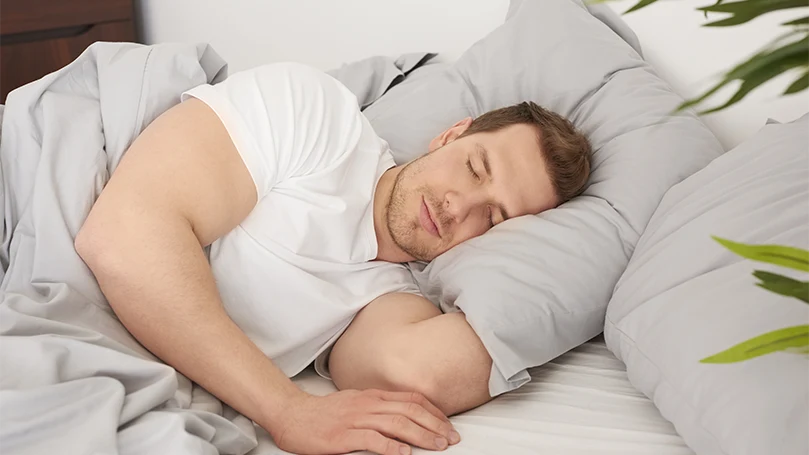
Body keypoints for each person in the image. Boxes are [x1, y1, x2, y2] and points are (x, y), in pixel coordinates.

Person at [75, 62, 591, 455]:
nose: (461, 207)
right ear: (453, 133)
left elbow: (423, 374)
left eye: (496, 218)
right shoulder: (320, 118)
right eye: (476, 169)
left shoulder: (389, 299)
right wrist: (286, 409)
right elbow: (121, 236)